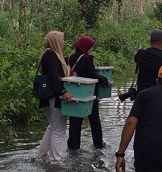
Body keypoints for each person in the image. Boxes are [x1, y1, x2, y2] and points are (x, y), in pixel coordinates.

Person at [67, 35, 110, 150]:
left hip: (74, 94)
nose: (91, 49)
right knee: (94, 120)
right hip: (89, 94)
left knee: (75, 121)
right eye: (91, 47)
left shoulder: (69, 58)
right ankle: (98, 144)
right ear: (85, 47)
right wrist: (105, 80)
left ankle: (73, 147)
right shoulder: (87, 58)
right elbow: (91, 75)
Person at [36, 30, 73, 163]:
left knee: (52, 126)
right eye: (62, 40)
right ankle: (55, 162)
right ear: (56, 41)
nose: (63, 42)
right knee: (59, 129)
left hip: (48, 96)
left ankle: (42, 156)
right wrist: (63, 92)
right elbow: (54, 77)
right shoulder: (51, 55)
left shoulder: (47, 54)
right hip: (53, 96)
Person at [133, 29, 162, 94]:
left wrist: (140, 51)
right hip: (159, 95)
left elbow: (136, 59)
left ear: (150, 41)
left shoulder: (141, 54)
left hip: (142, 94)